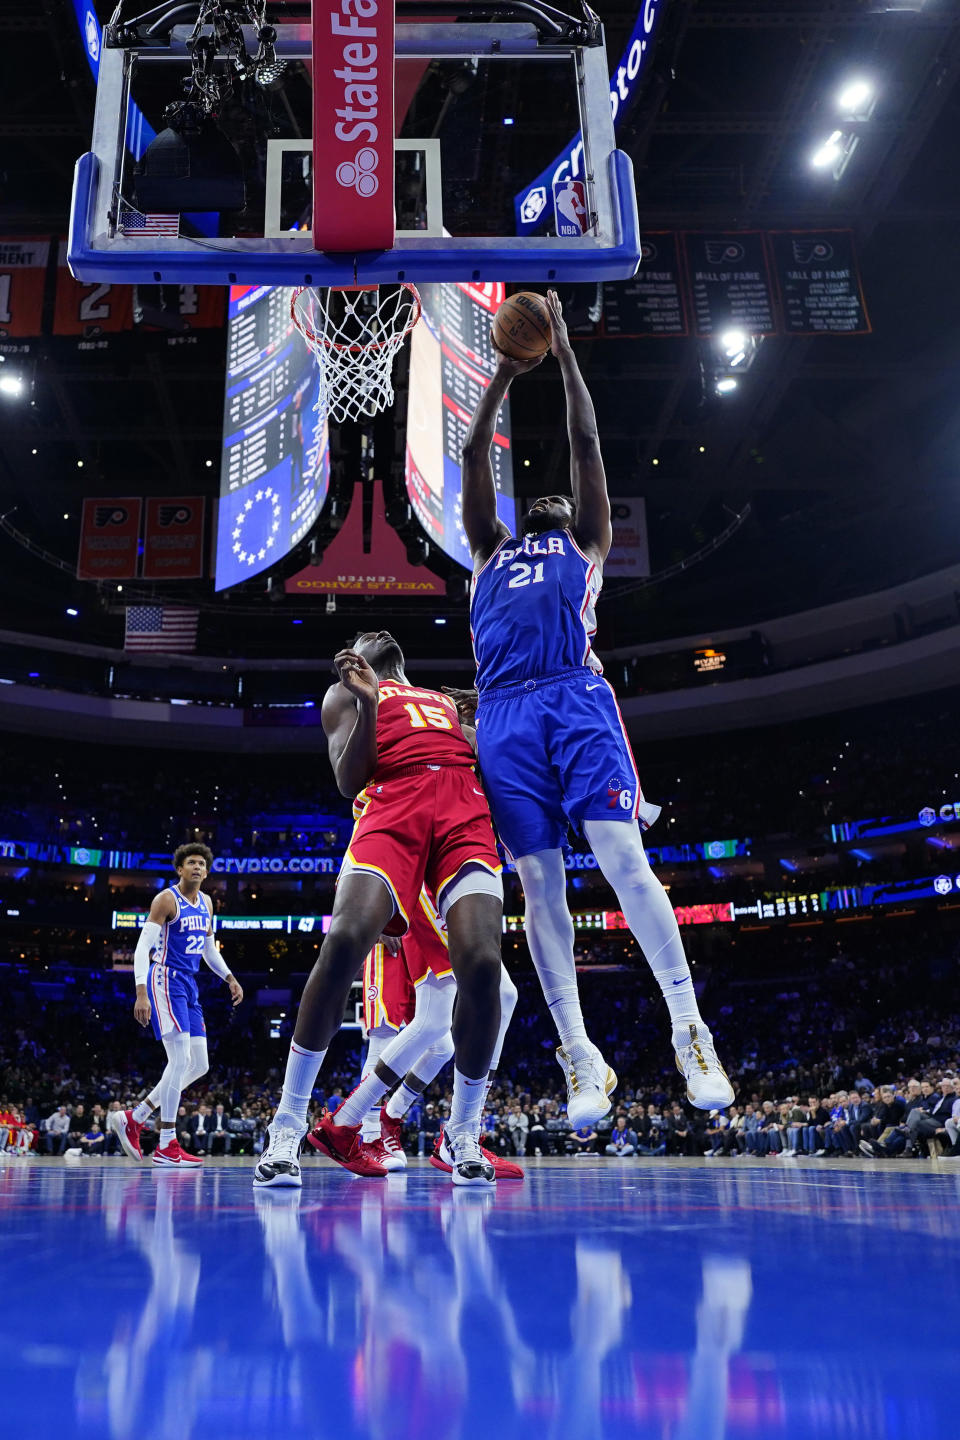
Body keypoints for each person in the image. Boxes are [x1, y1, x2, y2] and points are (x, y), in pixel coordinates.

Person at [461, 289, 734, 1128]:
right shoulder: (487, 549)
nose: (551, 496)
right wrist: (503, 376)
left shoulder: (588, 544)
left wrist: (568, 356)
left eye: (562, 498)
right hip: (502, 715)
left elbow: (582, 440)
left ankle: (691, 1029)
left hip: (574, 698)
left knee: (621, 858)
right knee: (538, 891)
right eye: (537, 497)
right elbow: (474, 454)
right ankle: (580, 1056)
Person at [254, 631, 506, 1189]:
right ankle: (288, 1124)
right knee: (344, 939)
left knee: (484, 965)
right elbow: (349, 781)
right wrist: (367, 700)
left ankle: (462, 1130)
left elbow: (492, 764)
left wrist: (487, 719)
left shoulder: (442, 700)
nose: (378, 632)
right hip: (395, 804)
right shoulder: (344, 695)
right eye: (362, 636)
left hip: (463, 806)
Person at [109, 843, 244, 1169]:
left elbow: (209, 950)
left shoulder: (208, 903)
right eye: (190, 863)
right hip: (164, 978)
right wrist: (141, 993)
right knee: (179, 1059)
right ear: (180, 869)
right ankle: (167, 1144)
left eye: (201, 863)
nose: (196, 867)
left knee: (199, 1064)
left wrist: (229, 977)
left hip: (189, 983)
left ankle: (135, 1116)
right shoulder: (166, 899)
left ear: (207, 871)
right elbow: (142, 949)